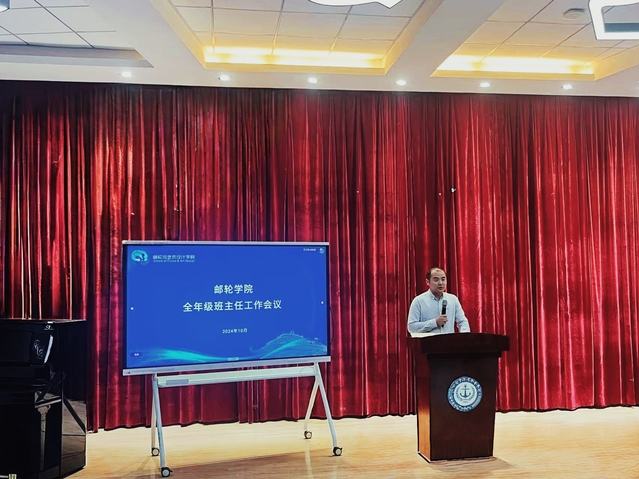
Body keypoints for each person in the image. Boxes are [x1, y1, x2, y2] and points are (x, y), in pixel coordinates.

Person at [407, 267, 470, 335]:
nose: (440, 283)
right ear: (427, 282)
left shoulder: (453, 299)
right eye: (436, 279)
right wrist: (435, 323)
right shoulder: (419, 301)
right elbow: (411, 327)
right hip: (428, 341)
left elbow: (462, 321)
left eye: (443, 279)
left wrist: (465, 338)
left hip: (449, 341)